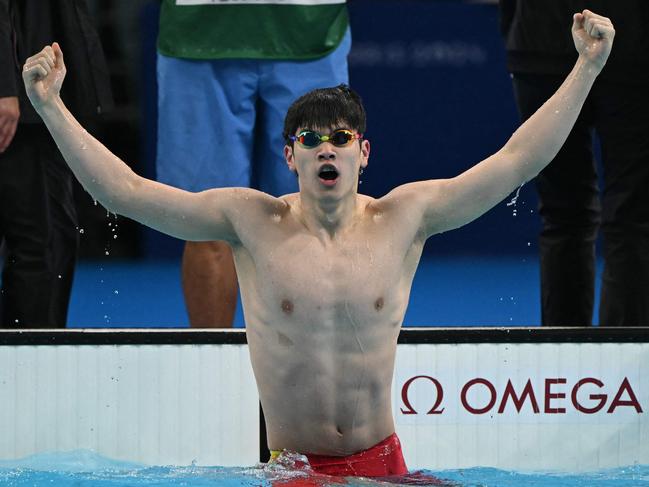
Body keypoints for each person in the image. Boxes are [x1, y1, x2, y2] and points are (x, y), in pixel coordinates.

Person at [21, 10, 613, 478]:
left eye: (339, 137)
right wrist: (49, 106)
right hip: (294, 472)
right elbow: (126, 191)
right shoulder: (250, 221)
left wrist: (586, 67)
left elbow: (515, 162)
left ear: (364, 153)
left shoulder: (403, 217)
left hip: (387, 468)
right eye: (309, 138)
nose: (324, 147)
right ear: (290, 155)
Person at [156, 0, 351, 327]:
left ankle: (308, 371)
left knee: (315, 217)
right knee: (206, 221)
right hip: (198, 30)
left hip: (311, 27)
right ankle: (211, 366)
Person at [500, 0, 649, 326]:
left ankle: (565, 354)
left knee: (567, 215)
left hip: (541, 43)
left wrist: (519, 30)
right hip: (628, 47)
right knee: (630, 218)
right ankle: (617, 363)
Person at [0, 0, 112, 328]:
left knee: (46, 240)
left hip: (30, 92)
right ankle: (32, 367)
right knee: (43, 241)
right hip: (22, 104)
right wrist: (4, 87)